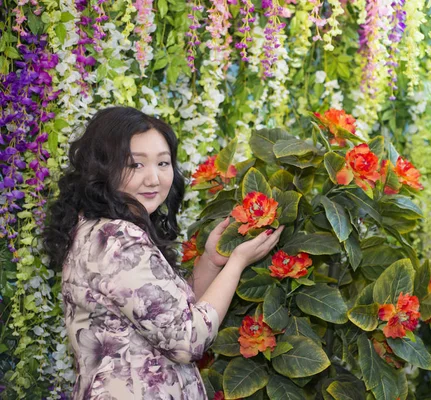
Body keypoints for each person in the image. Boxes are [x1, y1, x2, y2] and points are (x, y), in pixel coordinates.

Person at [43, 107, 284, 399]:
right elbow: (187, 339)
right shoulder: (118, 238)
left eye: (163, 163)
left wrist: (210, 261)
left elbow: (170, 316)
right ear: (103, 168)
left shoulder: (97, 229)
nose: (154, 179)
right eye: (135, 165)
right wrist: (238, 262)